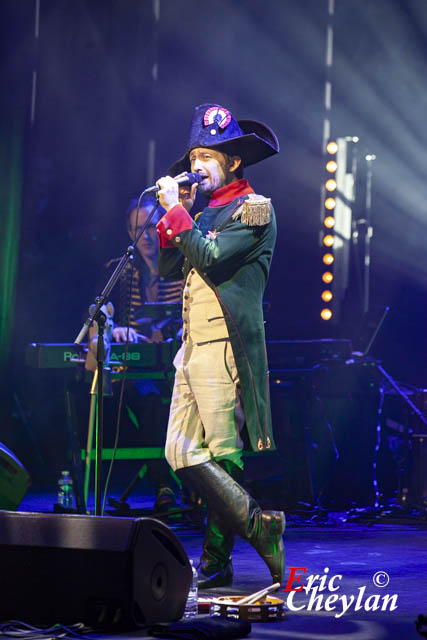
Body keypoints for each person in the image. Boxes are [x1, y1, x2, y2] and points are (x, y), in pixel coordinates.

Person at [155, 103, 285, 588]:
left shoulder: (255, 209)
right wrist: (179, 215)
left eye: (209, 156)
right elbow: (170, 269)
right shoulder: (204, 212)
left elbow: (209, 255)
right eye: (194, 156)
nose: (197, 166)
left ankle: (216, 560)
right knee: (179, 451)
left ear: (233, 161)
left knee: (222, 450)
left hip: (223, 345)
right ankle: (259, 525)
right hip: (190, 347)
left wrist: (177, 214)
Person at [86, 194, 183, 511]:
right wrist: (114, 328)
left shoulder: (183, 265)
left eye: (153, 226)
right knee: (148, 398)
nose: (147, 235)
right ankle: (164, 486)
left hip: (181, 364)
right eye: (139, 229)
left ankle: (188, 487)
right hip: (139, 371)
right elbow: (100, 315)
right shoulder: (120, 271)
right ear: (131, 234)